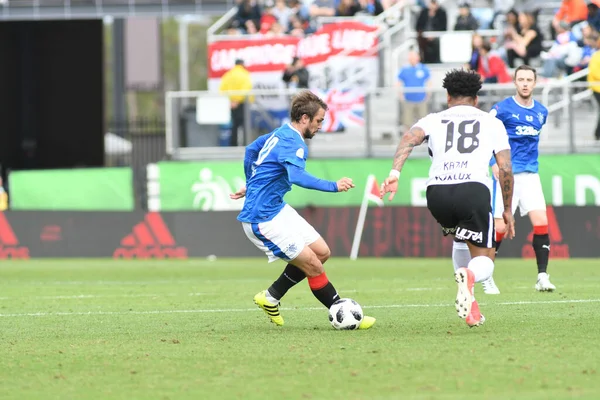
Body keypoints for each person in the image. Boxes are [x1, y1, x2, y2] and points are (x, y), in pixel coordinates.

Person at [230, 90, 376, 329]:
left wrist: (252, 183)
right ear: (305, 118)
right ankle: (343, 313)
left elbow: (250, 152)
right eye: (319, 121)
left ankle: (270, 297)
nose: (320, 126)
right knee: (313, 265)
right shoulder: (293, 141)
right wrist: (334, 186)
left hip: (276, 209)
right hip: (262, 219)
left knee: (321, 253)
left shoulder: (280, 133)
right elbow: (295, 176)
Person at [380, 69, 515, 328]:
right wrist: (507, 208)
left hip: (437, 193)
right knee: (484, 257)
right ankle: (469, 276)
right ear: (476, 98)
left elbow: (409, 138)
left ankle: (471, 308)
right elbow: (505, 168)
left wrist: (395, 172)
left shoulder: (433, 119)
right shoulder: (492, 122)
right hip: (473, 189)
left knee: (461, 239)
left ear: (447, 96)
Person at [479, 65, 556, 294]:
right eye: (520, 79)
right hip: (506, 176)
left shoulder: (541, 112)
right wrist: (492, 163)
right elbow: (483, 134)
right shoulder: (501, 109)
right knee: (500, 227)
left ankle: (542, 276)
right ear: (514, 82)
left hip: (531, 175)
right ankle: (486, 274)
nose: (524, 83)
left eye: (528, 80)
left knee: (541, 222)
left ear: (535, 83)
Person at [219, 59, 253, 147]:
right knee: (244, 124)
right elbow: (246, 89)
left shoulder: (228, 75)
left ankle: (233, 144)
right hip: (242, 103)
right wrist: (237, 100)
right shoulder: (244, 74)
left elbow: (222, 89)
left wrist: (231, 101)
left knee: (234, 125)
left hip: (231, 104)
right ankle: (246, 144)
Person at [397, 51, 431, 130]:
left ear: (418, 58)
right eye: (411, 57)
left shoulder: (423, 68)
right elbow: (399, 82)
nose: (412, 59)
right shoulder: (404, 69)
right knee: (407, 121)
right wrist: (400, 94)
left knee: (423, 120)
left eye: (414, 57)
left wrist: (428, 94)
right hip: (408, 99)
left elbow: (428, 81)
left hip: (421, 98)